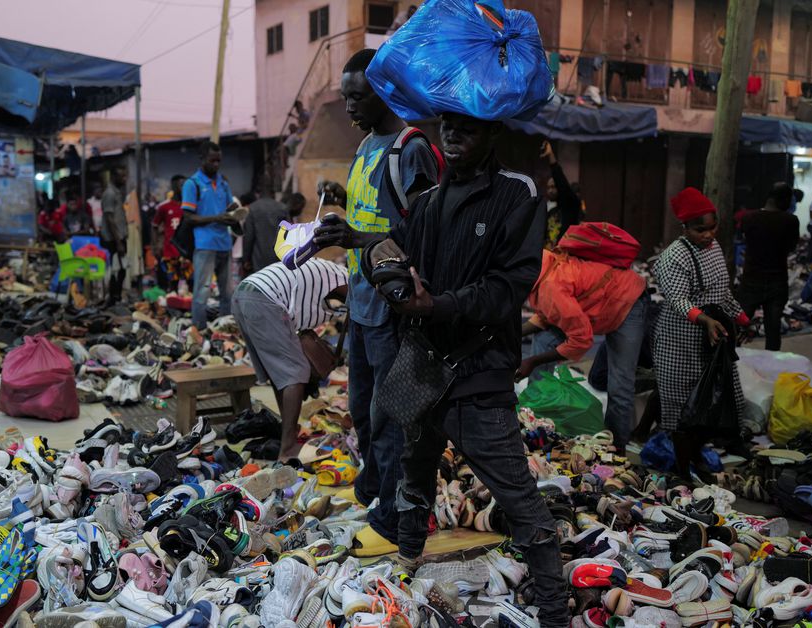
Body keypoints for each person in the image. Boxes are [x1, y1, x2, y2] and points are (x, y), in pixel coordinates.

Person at [359, 111, 569, 627]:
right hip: (422, 368)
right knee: (415, 470)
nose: (452, 137)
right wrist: (375, 257)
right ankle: (407, 561)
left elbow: (506, 289)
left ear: (492, 133)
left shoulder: (517, 195)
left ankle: (556, 613)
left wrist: (437, 306)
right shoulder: (428, 202)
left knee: (517, 496)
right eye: (447, 127)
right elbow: (393, 252)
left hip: (479, 371)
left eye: (467, 128)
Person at [311, 48, 439, 558]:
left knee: (390, 417)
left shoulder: (412, 149)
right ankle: (372, 489)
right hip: (363, 305)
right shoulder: (367, 145)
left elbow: (427, 231)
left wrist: (358, 235)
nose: (348, 108)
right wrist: (336, 211)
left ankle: (390, 517)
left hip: (394, 310)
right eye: (345, 98)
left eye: (357, 97)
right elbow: (373, 211)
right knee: (363, 412)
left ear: (385, 91)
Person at [653, 187, 748, 484]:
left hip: (710, 340)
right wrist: (704, 319)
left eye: (712, 228)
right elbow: (679, 299)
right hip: (679, 341)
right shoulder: (674, 257)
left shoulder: (714, 247)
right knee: (685, 410)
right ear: (685, 228)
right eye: (699, 230)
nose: (708, 235)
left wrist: (741, 317)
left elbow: (721, 292)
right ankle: (681, 471)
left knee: (709, 407)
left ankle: (696, 458)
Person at [518, 249, 649, 451]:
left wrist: (533, 361)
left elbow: (581, 339)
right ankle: (535, 421)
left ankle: (616, 451)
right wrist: (511, 334)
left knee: (619, 384)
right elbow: (548, 314)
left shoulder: (549, 285)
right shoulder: (540, 268)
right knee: (543, 340)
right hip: (597, 304)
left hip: (627, 302)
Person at [233, 259, 348, 461]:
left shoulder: (329, 275)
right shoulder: (345, 279)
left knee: (281, 373)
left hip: (245, 293)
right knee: (296, 372)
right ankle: (288, 449)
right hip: (264, 297)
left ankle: (289, 432)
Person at [182, 141, 241, 329]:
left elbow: (229, 207)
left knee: (227, 292)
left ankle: (225, 330)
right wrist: (218, 217)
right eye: (212, 160)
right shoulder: (193, 184)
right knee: (202, 292)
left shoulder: (223, 183)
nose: (216, 164)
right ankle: (198, 330)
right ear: (202, 159)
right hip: (205, 244)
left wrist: (234, 213)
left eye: (218, 161)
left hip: (224, 243)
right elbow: (188, 218)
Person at [738, 183, 800, 350]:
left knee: (738, 325)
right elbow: (791, 247)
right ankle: (772, 366)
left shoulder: (749, 218)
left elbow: (745, 240)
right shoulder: (790, 221)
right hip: (777, 281)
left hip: (751, 279)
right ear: (784, 200)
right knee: (773, 331)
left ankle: (728, 363)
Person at [243, 193, 302, 275]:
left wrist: (246, 259)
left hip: (258, 260)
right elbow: (288, 234)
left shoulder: (253, 208)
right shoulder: (282, 208)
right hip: (278, 259)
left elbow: (249, 236)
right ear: (273, 195)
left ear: (259, 195)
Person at [540, 141, 582, 245]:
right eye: (548, 187)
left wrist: (551, 156)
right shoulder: (551, 211)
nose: (550, 190)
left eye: (554, 187)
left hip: (564, 258)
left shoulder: (571, 206)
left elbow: (561, 181)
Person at [153, 175, 190, 293]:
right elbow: (154, 226)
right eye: (181, 185)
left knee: (190, 281)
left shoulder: (189, 206)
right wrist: (156, 245)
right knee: (172, 282)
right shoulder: (164, 207)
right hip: (170, 250)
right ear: (173, 186)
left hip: (187, 251)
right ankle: (172, 307)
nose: (184, 188)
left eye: (185, 185)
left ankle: (188, 307)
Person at [101, 170, 128, 305]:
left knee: (122, 269)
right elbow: (109, 219)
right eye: (122, 176)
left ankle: (116, 297)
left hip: (119, 237)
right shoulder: (110, 194)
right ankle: (112, 298)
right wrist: (118, 242)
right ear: (114, 177)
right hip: (113, 240)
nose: (125, 179)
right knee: (115, 270)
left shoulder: (116, 192)